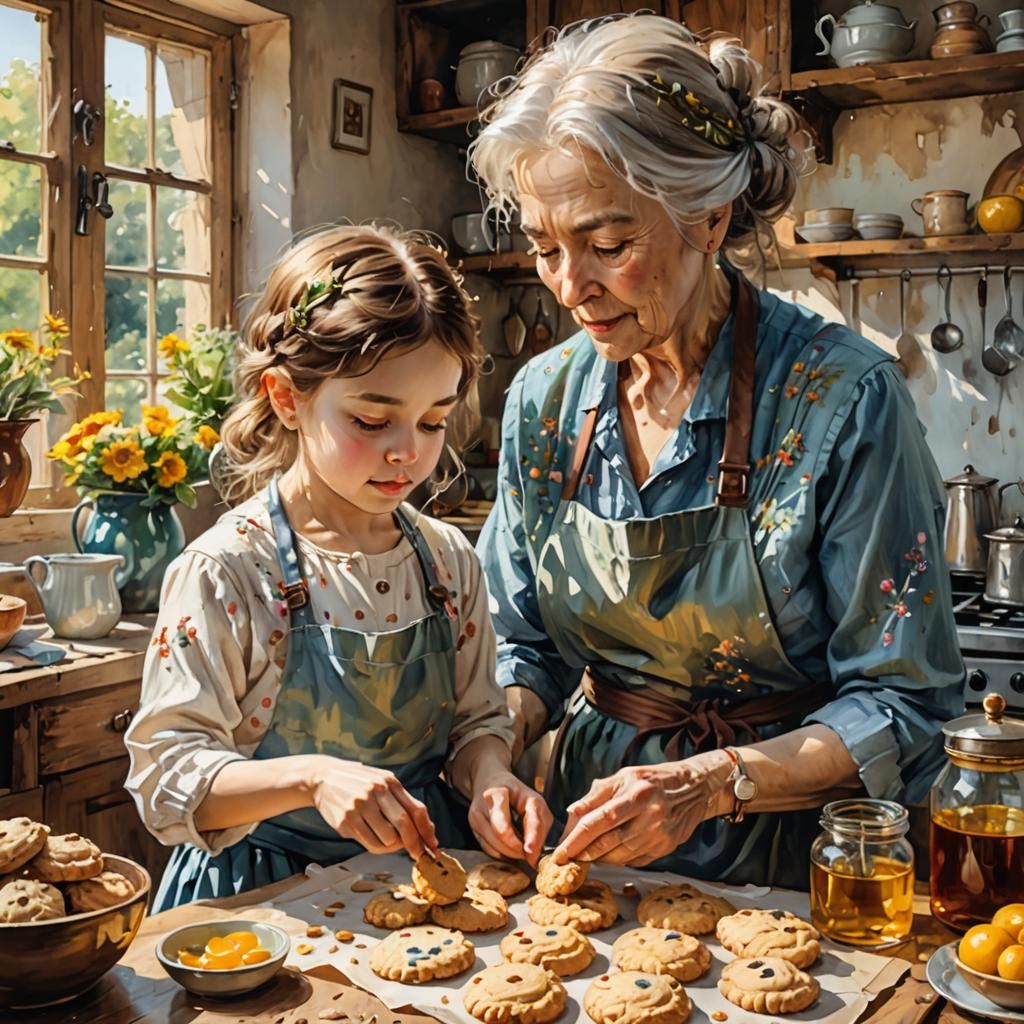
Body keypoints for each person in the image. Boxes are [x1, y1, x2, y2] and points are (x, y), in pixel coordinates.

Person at [469, 14, 965, 888]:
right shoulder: (543, 403)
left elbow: (905, 703)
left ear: (709, 216)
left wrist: (709, 783)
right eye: (546, 248)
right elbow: (519, 646)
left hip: (801, 855)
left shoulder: (843, 400)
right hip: (592, 845)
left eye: (608, 245)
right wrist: (494, 751)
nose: (569, 286)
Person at [125, 224, 551, 910]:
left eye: (434, 421)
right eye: (371, 420)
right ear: (287, 398)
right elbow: (165, 779)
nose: (408, 453)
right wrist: (313, 779)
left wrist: (493, 775)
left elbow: (475, 726)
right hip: (262, 899)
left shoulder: (447, 563)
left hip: (426, 888)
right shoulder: (228, 572)